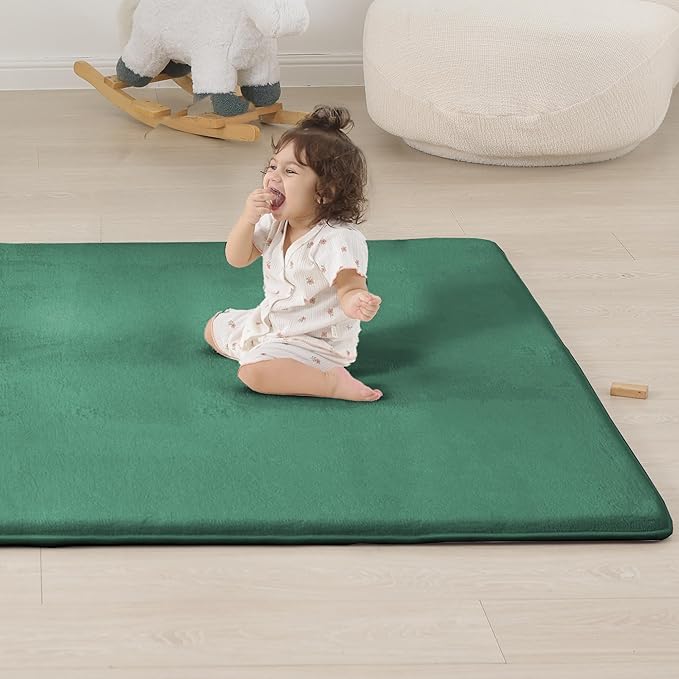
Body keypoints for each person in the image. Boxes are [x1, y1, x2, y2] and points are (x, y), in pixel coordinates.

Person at [204, 105, 383, 401]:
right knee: (212, 329)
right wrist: (247, 219)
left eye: (289, 172)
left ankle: (331, 382)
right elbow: (237, 258)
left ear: (324, 192)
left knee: (253, 373)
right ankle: (268, 351)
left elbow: (349, 285)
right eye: (272, 166)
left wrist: (355, 302)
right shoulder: (276, 222)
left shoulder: (337, 238)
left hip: (316, 342)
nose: (273, 177)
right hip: (273, 322)